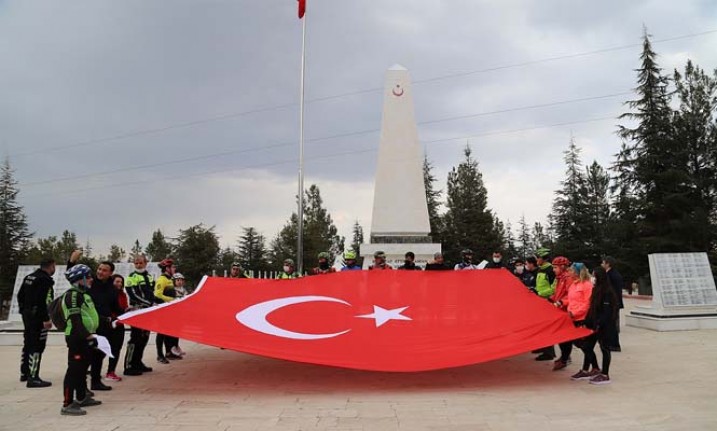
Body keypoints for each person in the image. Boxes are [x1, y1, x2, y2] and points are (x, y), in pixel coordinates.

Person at [67, 251, 119, 392]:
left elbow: (115, 308)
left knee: (100, 354)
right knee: (86, 358)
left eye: (104, 270)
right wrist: (72, 261)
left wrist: (124, 314)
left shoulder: (113, 289)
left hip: (104, 326)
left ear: (110, 273)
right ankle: (80, 388)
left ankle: (95, 381)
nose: (100, 272)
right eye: (99, 269)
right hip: (87, 328)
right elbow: (72, 275)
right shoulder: (89, 283)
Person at [60, 264, 102, 416]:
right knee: (74, 370)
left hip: (86, 337)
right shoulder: (72, 295)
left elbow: (90, 316)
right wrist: (87, 335)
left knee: (83, 368)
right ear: (80, 279)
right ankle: (67, 403)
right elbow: (75, 319)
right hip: (77, 338)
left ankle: (82, 396)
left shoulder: (84, 294)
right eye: (88, 277)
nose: (91, 279)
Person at [17, 257, 56, 387]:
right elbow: (44, 301)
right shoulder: (45, 280)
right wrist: (46, 318)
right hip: (38, 317)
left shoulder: (30, 277)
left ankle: (25, 372)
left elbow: (20, 295)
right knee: (38, 346)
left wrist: (23, 310)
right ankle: (33, 377)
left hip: (28, 315)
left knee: (28, 343)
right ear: (51, 266)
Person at [580, 267, 619, 385]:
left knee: (605, 348)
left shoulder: (607, 292)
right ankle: (592, 368)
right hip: (594, 323)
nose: (593, 278)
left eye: (594, 275)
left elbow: (607, 312)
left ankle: (605, 374)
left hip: (604, 326)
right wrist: (586, 321)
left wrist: (599, 323)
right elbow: (592, 308)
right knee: (587, 346)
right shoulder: (596, 289)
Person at [123, 254, 157, 376]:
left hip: (148, 311)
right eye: (136, 263)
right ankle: (129, 365)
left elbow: (152, 293)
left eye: (140, 263)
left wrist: (156, 303)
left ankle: (138, 362)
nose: (138, 265)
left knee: (144, 337)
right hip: (137, 310)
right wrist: (148, 303)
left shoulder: (149, 276)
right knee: (135, 338)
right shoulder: (132, 277)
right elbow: (132, 294)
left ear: (145, 263)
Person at [567, 264, 600, 381]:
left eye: (571, 270)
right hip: (574, 318)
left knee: (586, 345)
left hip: (584, 318)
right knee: (581, 344)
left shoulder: (587, 285)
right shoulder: (574, 284)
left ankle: (587, 369)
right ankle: (594, 367)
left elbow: (587, 303)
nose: (569, 272)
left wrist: (574, 312)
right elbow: (570, 300)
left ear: (577, 272)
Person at [549, 256, 573, 371]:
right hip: (560, 309)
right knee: (560, 336)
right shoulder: (559, 278)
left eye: (555, 267)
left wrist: (561, 302)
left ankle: (565, 358)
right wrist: (551, 299)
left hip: (566, 311)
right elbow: (557, 293)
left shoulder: (568, 278)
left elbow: (571, 295)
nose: (553, 269)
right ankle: (564, 357)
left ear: (562, 267)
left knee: (565, 337)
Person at [154, 258, 180, 363]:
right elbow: (157, 295)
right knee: (161, 333)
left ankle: (169, 352)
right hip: (163, 308)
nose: (175, 269)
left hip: (170, 310)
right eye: (173, 267)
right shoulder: (162, 279)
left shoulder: (170, 279)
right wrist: (172, 300)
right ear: (167, 268)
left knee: (169, 332)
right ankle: (159, 355)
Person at [534, 248, 556, 361]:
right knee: (540, 325)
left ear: (544, 258)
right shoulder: (540, 270)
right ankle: (542, 346)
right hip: (540, 300)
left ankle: (549, 352)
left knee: (546, 326)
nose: (536, 260)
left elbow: (554, 288)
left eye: (538, 257)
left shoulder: (550, 270)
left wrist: (540, 293)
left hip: (548, 300)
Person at [105, 274, 128, 382]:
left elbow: (123, 308)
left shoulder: (123, 294)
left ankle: (111, 371)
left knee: (116, 349)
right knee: (101, 349)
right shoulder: (107, 294)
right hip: (109, 324)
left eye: (120, 282)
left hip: (119, 324)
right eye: (117, 281)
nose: (119, 284)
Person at [601, 256, 624, 352]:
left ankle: (614, 344)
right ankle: (610, 343)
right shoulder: (610, 274)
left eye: (603, 263)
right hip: (612, 303)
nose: (601, 265)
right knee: (610, 324)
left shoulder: (612, 275)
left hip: (612, 303)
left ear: (608, 264)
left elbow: (614, 291)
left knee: (611, 324)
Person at [168, 273, 187, 357]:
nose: (179, 282)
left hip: (181, 313)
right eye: (177, 280)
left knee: (178, 331)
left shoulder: (184, 290)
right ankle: (172, 347)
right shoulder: (172, 290)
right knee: (173, 331)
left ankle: (176, 346)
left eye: (181, 280)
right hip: (173, 314)